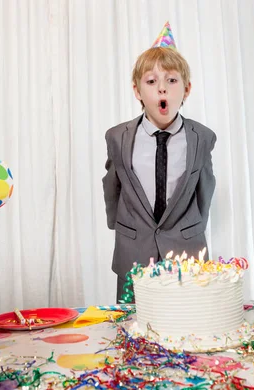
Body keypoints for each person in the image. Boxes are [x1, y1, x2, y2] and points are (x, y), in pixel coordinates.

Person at [103, 22, 217, 303]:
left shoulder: (202, 137)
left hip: (186, 253)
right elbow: (112, 190)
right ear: (137, 91)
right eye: (152, 82)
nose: (162, 90)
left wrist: (190, 228)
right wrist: (122, 227)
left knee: (188, 325)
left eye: (172, 81)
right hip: (133, 252)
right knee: (132, 329)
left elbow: (204, 191)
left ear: (186, 90)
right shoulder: (118, 137)